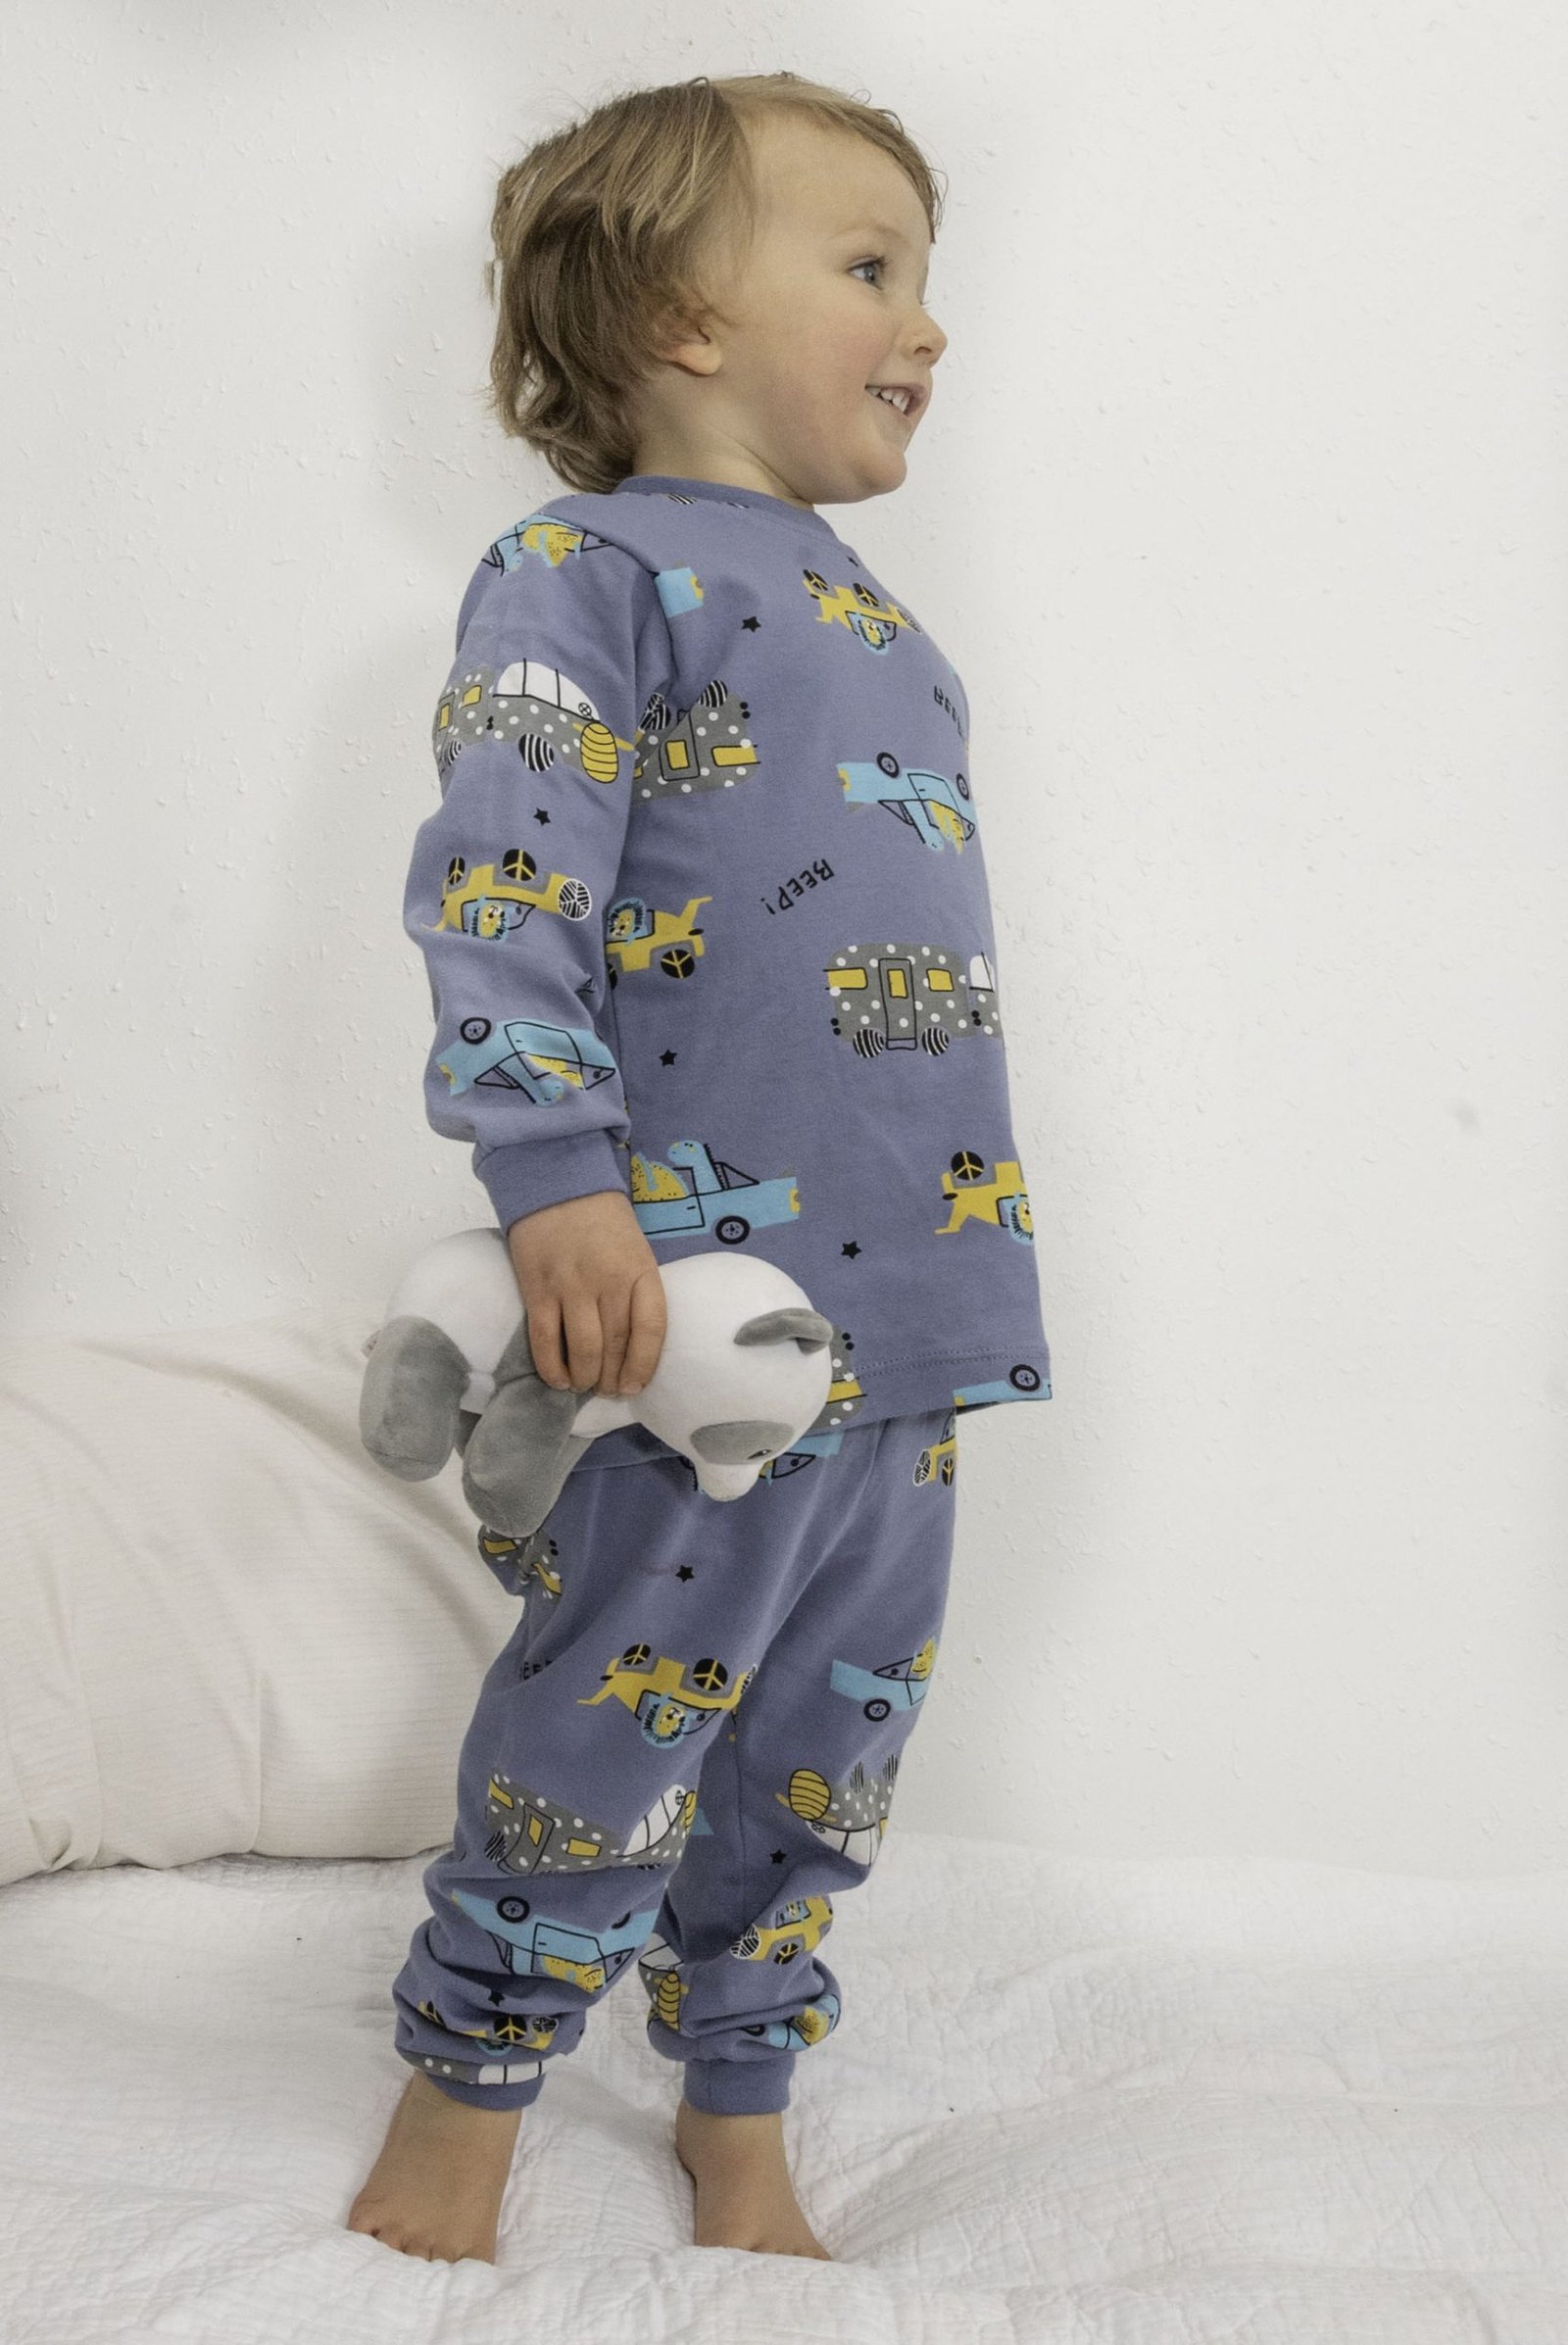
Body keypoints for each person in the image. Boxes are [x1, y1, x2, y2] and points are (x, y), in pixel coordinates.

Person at [347, 68, 1052, 2266]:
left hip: (913, 1321)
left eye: (925, 273)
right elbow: (506, 886)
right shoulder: (580, 575)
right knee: (601, 1717)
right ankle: (466, 2091)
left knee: (827, 1752)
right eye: (869, 266)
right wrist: (553, 1175)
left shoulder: (890, 632)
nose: (927, 320)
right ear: (680, 311)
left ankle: (738, 2100)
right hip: (690, 1324)